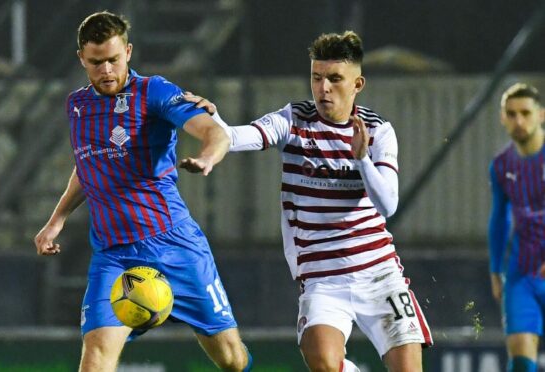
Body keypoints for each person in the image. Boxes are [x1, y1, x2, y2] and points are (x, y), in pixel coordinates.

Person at [184, 31, 432, 372]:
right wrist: (212, 122)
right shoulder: (293, 120)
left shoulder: (377, 131)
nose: (323, 88)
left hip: (379, 274)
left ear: (357, 84)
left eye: (334, 79)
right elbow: (242, 136)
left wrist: (361, 159)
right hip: (322, 278)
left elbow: (388, 204)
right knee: (323, 362)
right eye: (316, 78)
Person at [33, 11, 252, 372]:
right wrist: (55, 221)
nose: (106, 70)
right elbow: (89, 166)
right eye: (96, 62)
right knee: (95, 359)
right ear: (81, 59)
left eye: (113, 60)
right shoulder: (77, 106)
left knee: (231, 359)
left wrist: (208, 158)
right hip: (114, 256)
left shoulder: (155, 92)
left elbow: (216, 132)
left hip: (175, 245)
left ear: (129, 52)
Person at [488, 83, 545, 372]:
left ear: (541, 115)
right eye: (511, 114)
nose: (518, 121)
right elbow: (499, 218)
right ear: (502, 118)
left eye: (525, 113)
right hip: (521, 274)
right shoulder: (501, 165)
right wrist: (496, 269)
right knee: (522, 362)